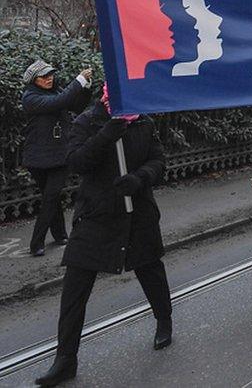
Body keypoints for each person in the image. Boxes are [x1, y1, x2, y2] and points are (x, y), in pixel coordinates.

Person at [36, 84, 170, 387]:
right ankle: (65, 358)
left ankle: (164, 318)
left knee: (150, 269)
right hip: (96, 215)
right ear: (105, 93)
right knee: (75, 287)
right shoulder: (87, 121)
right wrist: (108, 132)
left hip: (137, 214)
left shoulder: (143, 122)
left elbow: (158, 162)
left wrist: (140, 178)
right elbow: (77, 162)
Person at [20, 60, 92, 257]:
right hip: (38, 158)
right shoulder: (31, 97)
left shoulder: (55, 90)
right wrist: (78, 80)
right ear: (34, 80)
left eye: (50, 74)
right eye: (44, 76)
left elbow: (76, 105)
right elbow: (60, 102)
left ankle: (36, 243)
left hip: (59, 155)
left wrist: (85, 87)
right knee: (50, 198)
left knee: (51, 197)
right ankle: (60, 234)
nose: (49, 78)